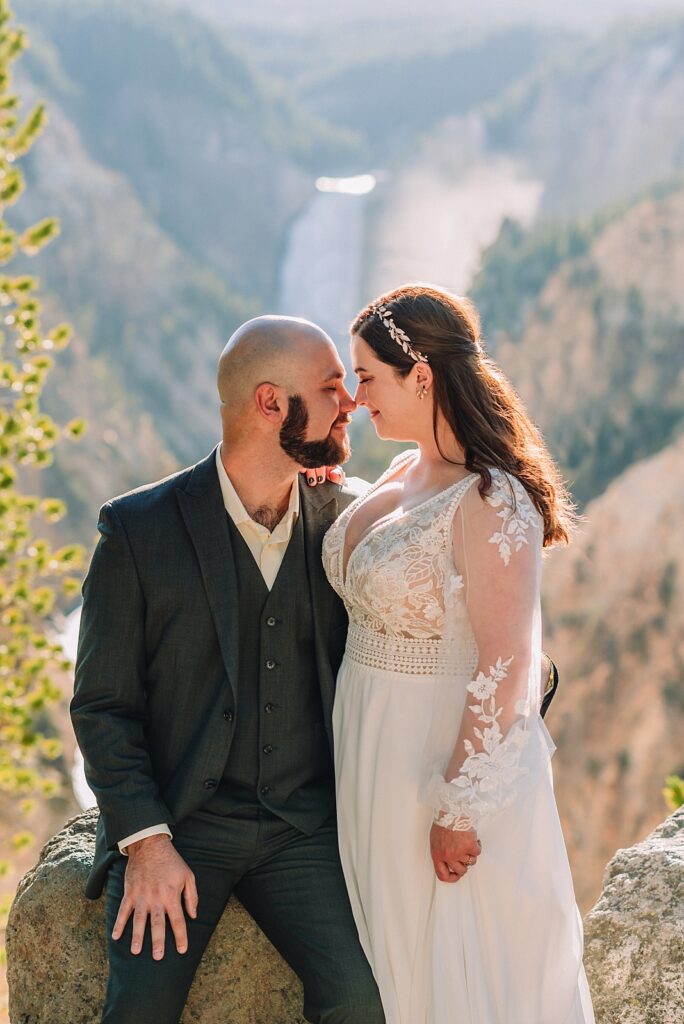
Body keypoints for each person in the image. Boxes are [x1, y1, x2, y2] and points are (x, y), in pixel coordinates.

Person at [71, 316, 384, 1024]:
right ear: (271, 404)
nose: (351, 403)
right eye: (332, 388)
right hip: (183, 825)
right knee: (139, 1012)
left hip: (303, 830)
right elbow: (102, 705)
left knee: (364, 1001)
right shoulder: (138, 530)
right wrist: (145, 844)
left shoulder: (347, 519)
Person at [322, 285, 595, 1024]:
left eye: (368, 376)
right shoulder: (402, 471)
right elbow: (395, 550)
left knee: (449, 970)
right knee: (392, 958)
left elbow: (508, 659)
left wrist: (461, 805)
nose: (356, 395)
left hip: (435, 759)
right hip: (370, 747)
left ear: (421, 376)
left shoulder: (492, 496)